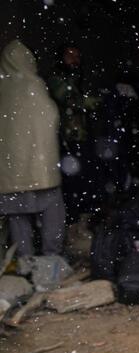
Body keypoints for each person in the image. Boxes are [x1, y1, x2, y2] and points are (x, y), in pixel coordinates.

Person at [0, 40, 66, 271]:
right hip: (40, 167)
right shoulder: (33, 84)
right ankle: (51, 262)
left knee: (17, 216)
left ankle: (26, 262)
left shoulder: (2, 87)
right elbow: (51, 116)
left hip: (10, 172)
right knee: (52, 212)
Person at [48, 43, 101, 221]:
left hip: (80, 139)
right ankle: (70, 224)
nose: (74, 59)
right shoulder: (57, 77)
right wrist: (87, 102)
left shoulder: (77, 78)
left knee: (85, 180)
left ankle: (81, 223)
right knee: (70, 185)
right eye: (70, 55)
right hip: (65, 140)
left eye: (77, 56)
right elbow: (66, 97)